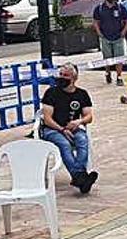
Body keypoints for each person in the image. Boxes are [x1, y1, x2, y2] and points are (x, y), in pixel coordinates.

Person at [40, 64, 97, 193]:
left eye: (65, 76)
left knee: (82, 140)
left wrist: (79, 121)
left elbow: (89, 116)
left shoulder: (82, 94)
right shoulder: (51, 92)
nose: (61, 78)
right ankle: (80, 176)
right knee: (64, 144)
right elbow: (47, 119)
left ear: (74, 78)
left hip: (73, 127)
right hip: (52, 129)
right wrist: (62, 130)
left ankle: (79, 177)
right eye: (60, 74)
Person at [93, 0, 127, 86]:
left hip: (118, 36)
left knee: (119, 58)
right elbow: (96, 21)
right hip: (105, 36)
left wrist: (124, 32)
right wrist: (99, 32)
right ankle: (108, 73)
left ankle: (119, 76)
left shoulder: (120, 7)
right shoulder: (99, 8)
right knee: (107, 58)